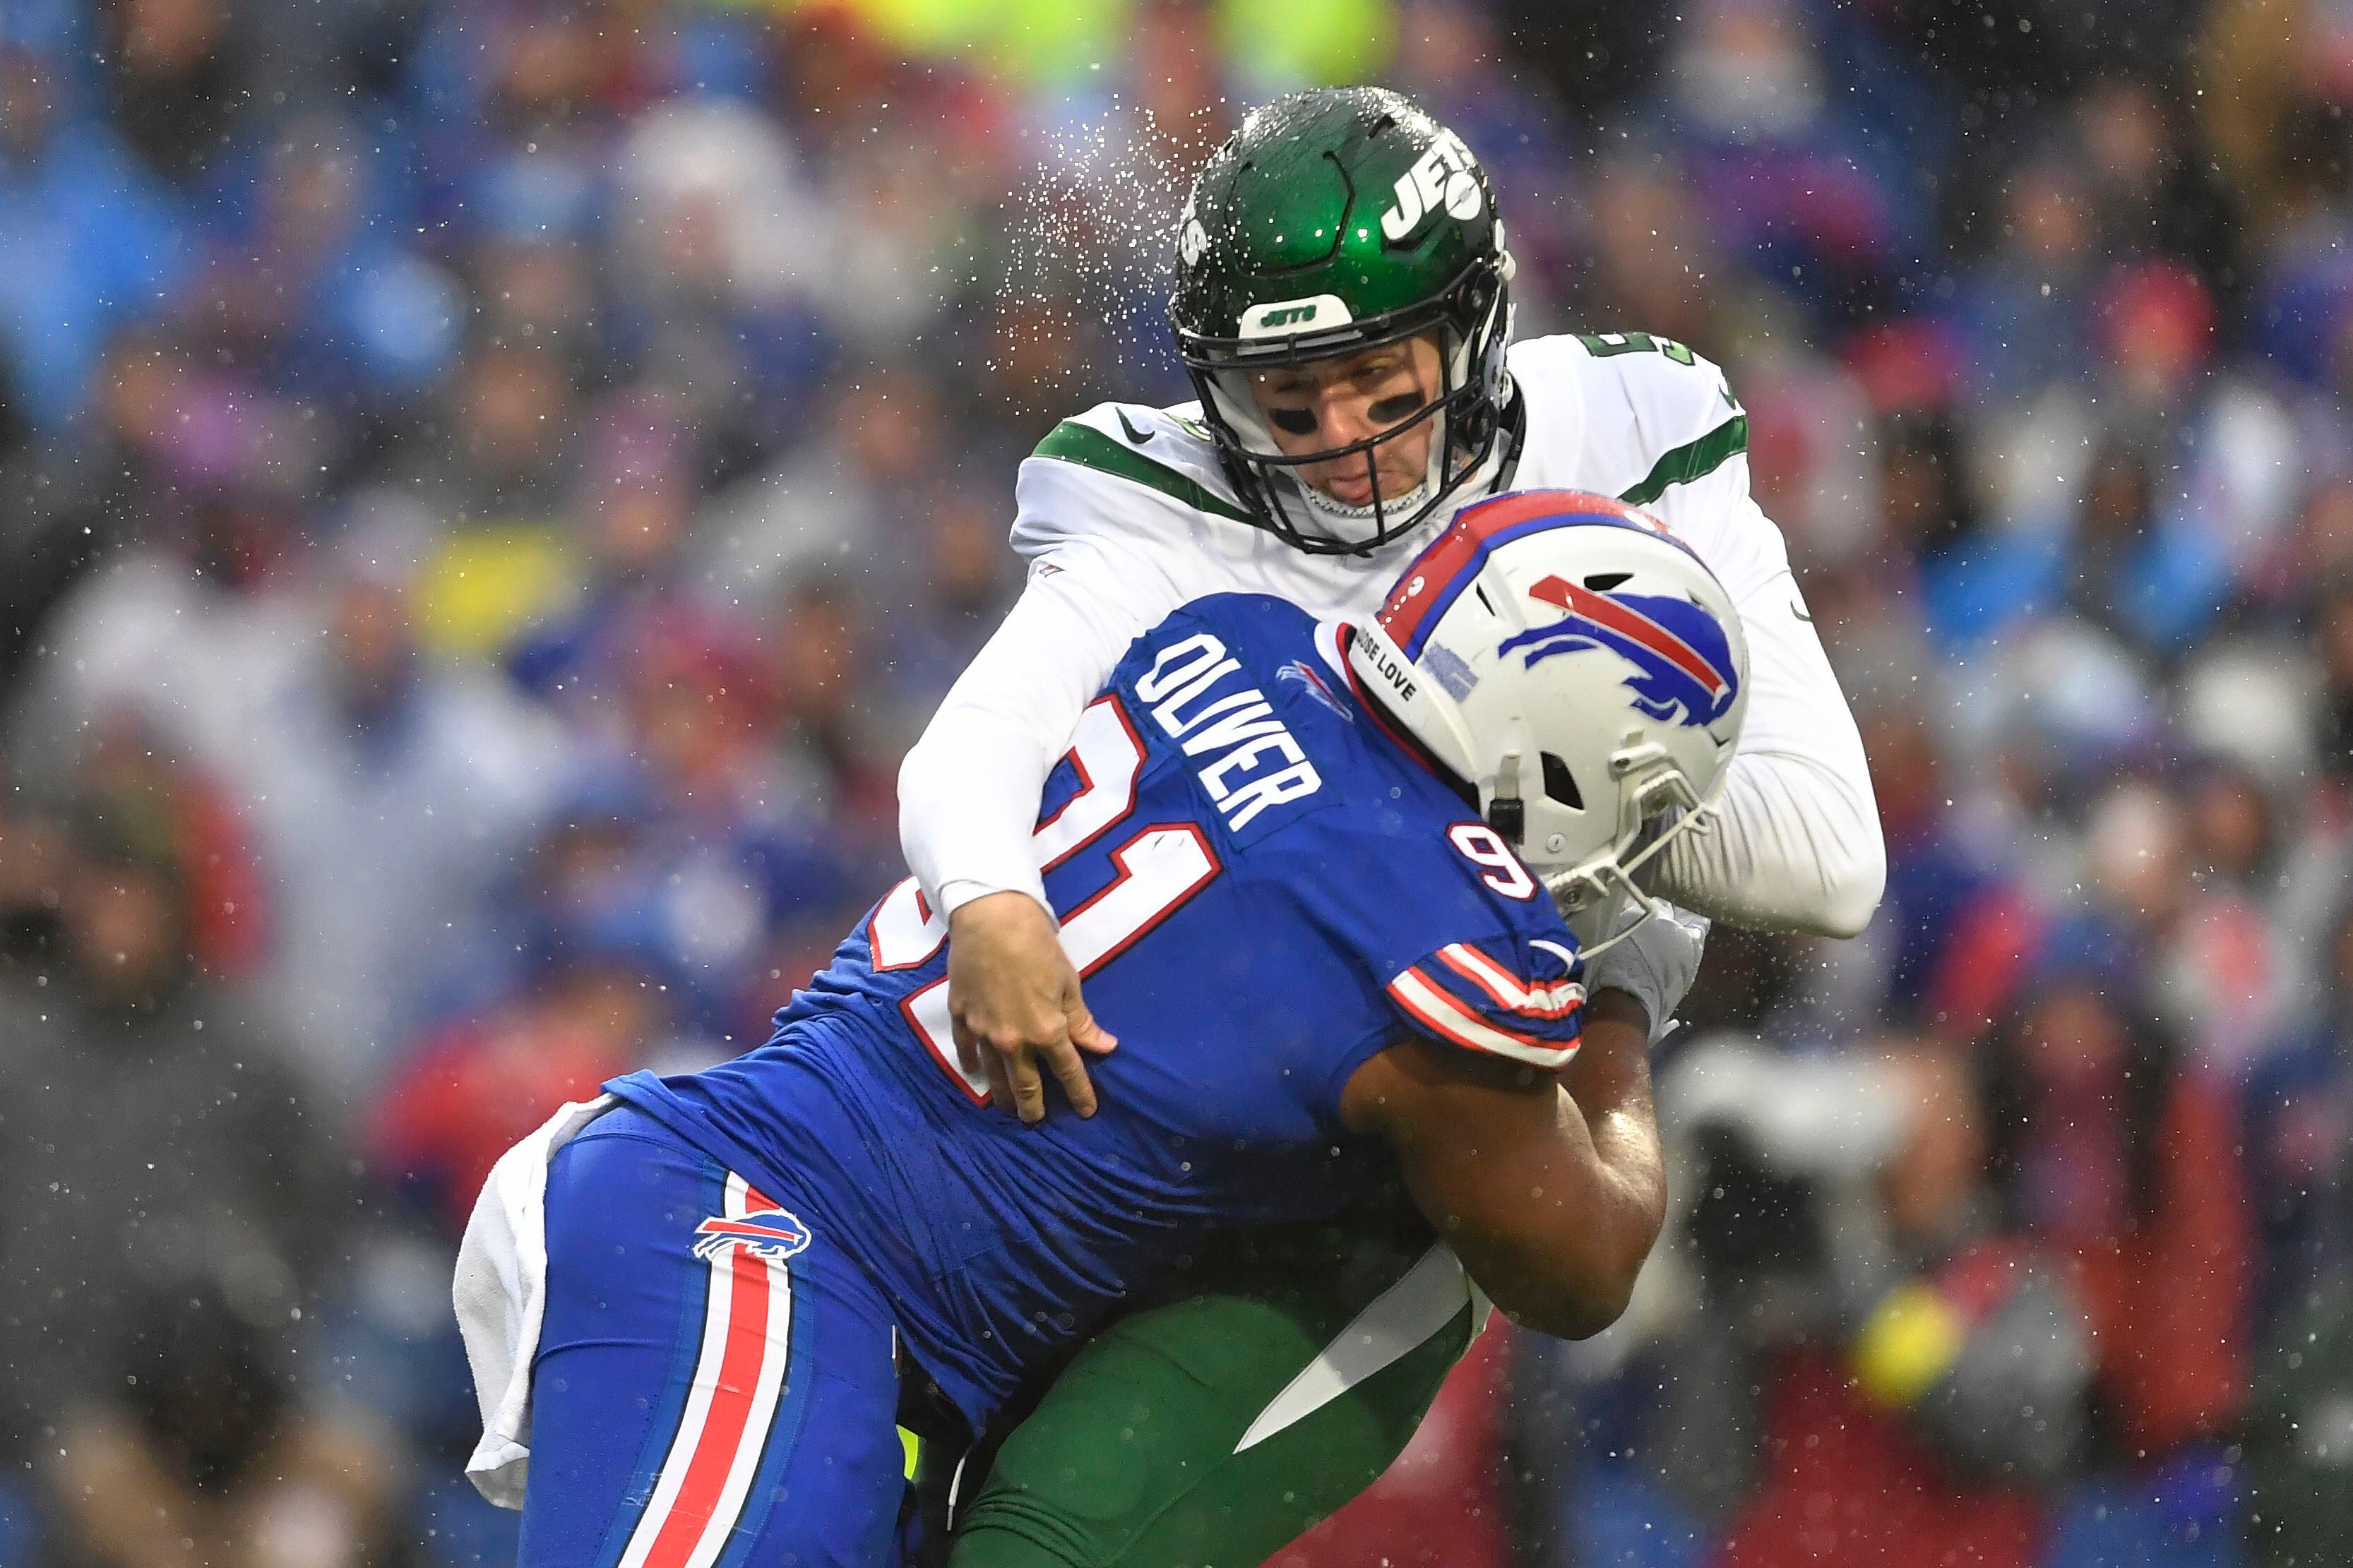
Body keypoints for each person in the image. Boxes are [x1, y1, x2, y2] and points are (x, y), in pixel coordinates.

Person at [894, 87, 1881, 1564]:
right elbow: (976, 748)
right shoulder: (1148, 497)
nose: (1344, 439)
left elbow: (1825, 854)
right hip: (1121, 1108)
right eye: (1290, 402)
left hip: (1389, 1149)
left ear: (1471, 333)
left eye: (1382, 378)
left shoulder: (1631, 427)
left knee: (1050, 1548)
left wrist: (1437, 756)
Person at [455, 498, 1744, 1566]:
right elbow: (1583, 1262)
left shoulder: (1240, 633)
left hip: (801, 1266)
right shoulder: (1437, 931)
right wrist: (1629, 988)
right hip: (772, 1244)